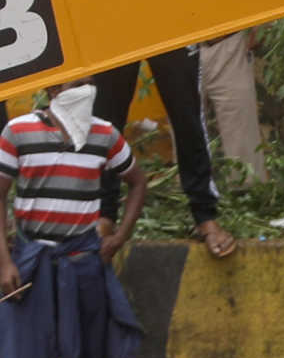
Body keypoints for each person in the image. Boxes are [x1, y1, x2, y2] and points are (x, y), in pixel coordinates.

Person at [0, 82, 147, 358]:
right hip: (33, 264)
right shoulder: (19, 131)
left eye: (86, 82)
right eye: (74, 82)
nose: (83, 88)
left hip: (83, 262)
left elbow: (137, 182)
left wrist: (120, 236)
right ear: (53, 88)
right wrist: (5, 260)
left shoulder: (104, 134)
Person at [93, 49, 237, 259]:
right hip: (112, 21)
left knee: (187, 114)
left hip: (168, 21)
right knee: (105, 118)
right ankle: (104, 214)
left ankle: (204, 214)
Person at [197, 31, 266, 184]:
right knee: (185, 130)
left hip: (229, 41)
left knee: (242, 137)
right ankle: (192, 198)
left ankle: (248, 195)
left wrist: (258, 27)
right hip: (179, 46)